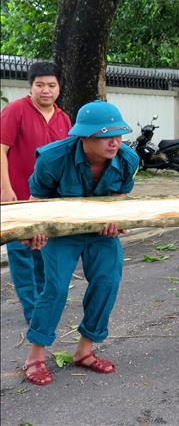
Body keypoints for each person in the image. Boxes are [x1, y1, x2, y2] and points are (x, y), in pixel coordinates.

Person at [21, 101, 139, 386]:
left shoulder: (128, 159)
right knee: (56, 288)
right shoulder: (52, 159)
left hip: (101, 232)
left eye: (119, 134)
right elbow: (36, 201)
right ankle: (35, 357)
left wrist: (115, 217)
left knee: (107, 281)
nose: (115, 142)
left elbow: (121, 198)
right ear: (84, 137)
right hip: (63, 230)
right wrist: (35, 229)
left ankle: (85, 351)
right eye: (106, 136)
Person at [0, 62, 72, 323]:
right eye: (39, 85)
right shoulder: (15, 110)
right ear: (30, 86)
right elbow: (1, 149)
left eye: (51, 85)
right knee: (22, 255)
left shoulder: (64, 118)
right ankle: (32, 311)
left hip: (49, 200)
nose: (46, 90)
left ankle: (44, 304)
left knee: (45, 254)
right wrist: (5, 188)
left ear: (59, 88)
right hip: (18, 197)